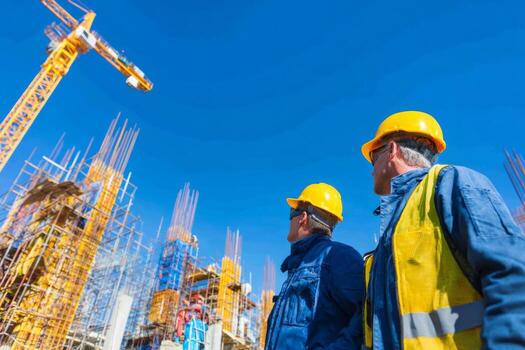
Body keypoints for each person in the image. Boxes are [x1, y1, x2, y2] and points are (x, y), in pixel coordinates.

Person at [361, 111, 525, 349]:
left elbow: (513, 278)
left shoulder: (452, 183)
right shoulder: (392, 230)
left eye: (373, 157)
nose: (371, 169)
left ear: (392, 150)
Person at [264, 183, 363, 350]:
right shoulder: (298, 267)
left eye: (291, 213)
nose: (289, 220)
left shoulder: (337, 257)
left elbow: (364, 318)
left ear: (302, 217)